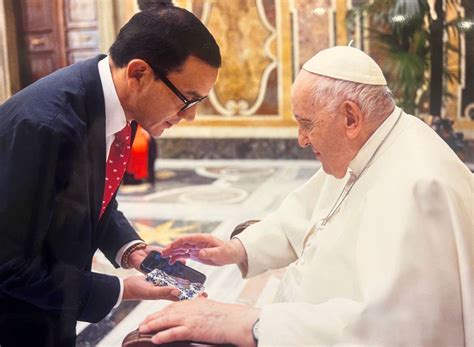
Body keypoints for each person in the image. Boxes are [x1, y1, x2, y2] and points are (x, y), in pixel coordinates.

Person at [138, 46, 473, 346]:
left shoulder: (421, 185)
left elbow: (398, 329)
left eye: (306, 123)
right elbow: (306, 216)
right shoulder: (368, 147)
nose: (301, 139)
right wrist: (238, 248)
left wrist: (249, 323)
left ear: (351, 118)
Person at [0, 6, 220, 347]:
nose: (189, 117)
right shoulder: (46, 126)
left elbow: (91, 197)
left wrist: (134, 252)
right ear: (139, 73)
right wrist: (121, 290)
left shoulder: (115, 102)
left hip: (51, 298)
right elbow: (8, 264)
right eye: (187, 100)